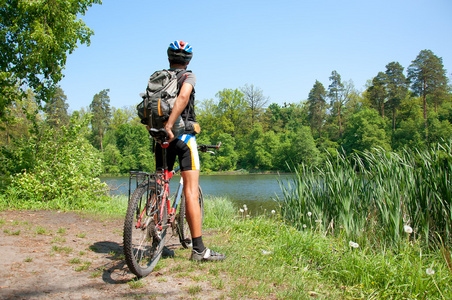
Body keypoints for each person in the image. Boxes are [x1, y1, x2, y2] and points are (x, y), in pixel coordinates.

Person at [154, 40, 225, 261]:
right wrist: (171, 124)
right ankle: (198, 250)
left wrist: (161, 129)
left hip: (160, 140)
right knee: (191, 192)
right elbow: (184, 97)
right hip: (183, 137)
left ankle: (157, 241)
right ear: (188, 61)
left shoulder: (158, 79)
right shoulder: (188, 76)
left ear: (168, 59)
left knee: (159, 187)